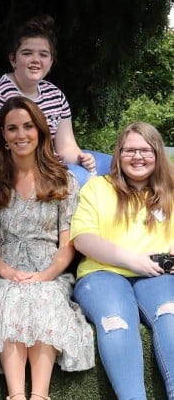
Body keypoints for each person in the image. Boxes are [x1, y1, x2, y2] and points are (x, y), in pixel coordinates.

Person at [0, 96, 94, 400]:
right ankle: (16, 395)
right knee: (12, 298)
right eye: (12, 128)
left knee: (44, 298)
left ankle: (39, 396)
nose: (21, 134)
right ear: (3, 135)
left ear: (40, 130)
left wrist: (45, 275)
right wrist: (6, 271)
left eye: (28, 126)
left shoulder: (63, 178)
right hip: (3, 268)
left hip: (50, 268)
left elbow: (68, 245)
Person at [70, 122, 174, 400]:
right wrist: (133, 260)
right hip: (102, 274)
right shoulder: (97, 188)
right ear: (118, 154)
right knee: (117, 323)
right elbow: (83, 239)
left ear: (157, 153)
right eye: (129, 150)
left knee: (170, 314)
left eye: (145, 150)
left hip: (156, 275)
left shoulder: (171, 190)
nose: (137, 157)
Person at [0, 15, 111, 187]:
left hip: (53, 162)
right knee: (83, 180)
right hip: (23, 171)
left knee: (116, 164)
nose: (35, 60)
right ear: (13, 59)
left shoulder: (55, 94)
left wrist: (83, 159)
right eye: (27, 53)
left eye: (43, 54)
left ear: (51, 62)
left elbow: (66, 147)